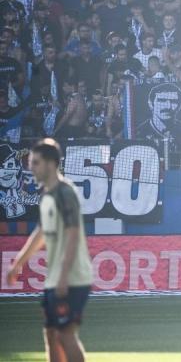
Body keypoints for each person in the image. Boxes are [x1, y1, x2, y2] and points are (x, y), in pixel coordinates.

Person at [5, 139, 93, 362]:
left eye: (35, 162)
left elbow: (73, 234)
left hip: (72, 277)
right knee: (51, 334)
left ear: (51, 164)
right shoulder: (46, 195)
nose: (30, 167)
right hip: (55, 278)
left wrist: (64, 275)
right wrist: (18, 263)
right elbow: (41, 233)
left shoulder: (65, 193)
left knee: (65, 335)